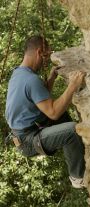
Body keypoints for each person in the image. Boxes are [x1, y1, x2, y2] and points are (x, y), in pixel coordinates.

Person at [5, 35, 85, 189]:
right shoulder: (31, 80)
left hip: (24, 133)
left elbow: (38, 96)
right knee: (71, 130)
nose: (47, 59)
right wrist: (73, 85)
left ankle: (81, 149)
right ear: (39, 52)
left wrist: (51, 78)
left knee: (62, 115)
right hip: (28, 140)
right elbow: (53, 113)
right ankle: (77, 177)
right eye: (47, 55)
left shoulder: (19, 73)